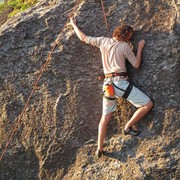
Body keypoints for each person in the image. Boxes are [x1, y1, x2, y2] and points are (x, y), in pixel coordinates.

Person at [70, 17, 153, 158]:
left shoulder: (102, 41)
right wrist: (139, 48)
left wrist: (73, 24)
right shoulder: (125, 46)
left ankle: (99, 148)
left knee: (105, 117)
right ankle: (127, 127)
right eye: (129, 37)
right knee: (147, 104)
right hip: (120, 83)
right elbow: (136, 65)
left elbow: (83, 38)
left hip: (107, 85)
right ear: (126, 37)